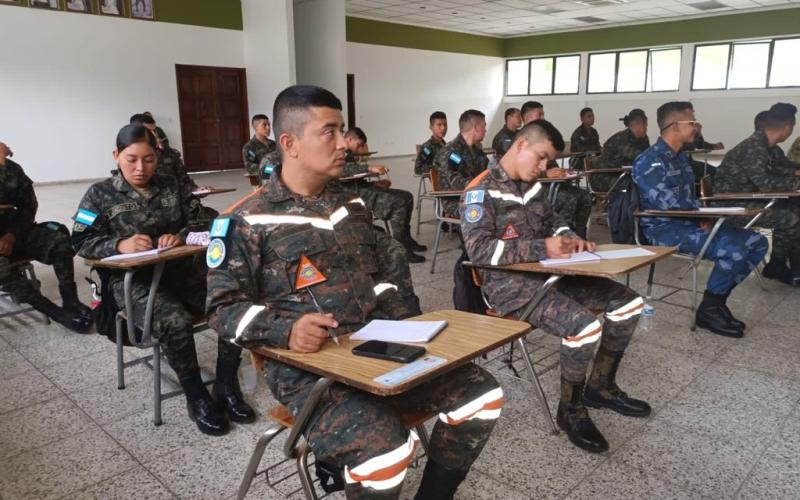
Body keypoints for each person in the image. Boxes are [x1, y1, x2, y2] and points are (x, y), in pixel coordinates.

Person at [207, 85, 503, 500]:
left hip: (379, 346)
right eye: (329, 132)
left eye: (342, 130)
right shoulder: (245, 221)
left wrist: (412, 329)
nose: (344, 143)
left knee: (483, 395)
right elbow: (222, 311)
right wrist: (286, 330)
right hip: (311, 367)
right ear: (289, 143)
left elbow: (381, 278)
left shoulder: (352, 206)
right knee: (385, 448)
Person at [461, 119, 650, 454]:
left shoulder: (533, 187)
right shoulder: (480, 190)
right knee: (584, 326)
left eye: (548, 161)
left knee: (629, 303)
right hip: (511, 288)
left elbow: (555, 222)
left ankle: (601, 386)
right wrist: (542, 248)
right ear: (521, 145)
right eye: (542, 157)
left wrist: (572, 240)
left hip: (553, 273)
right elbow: (480, 252)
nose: (545, 167)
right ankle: (571, 408)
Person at [72, 124, 255, 435]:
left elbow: (204, 218)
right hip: (133, 282)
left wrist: (181, 235)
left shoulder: (173, 185)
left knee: (233, 304)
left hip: (183, 271)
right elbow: (80, 241)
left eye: (148, 159)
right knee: (174, 320)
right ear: (116, 156)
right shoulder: (100, 194)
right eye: (131, 160)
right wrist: (119, 244)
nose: (140, 168)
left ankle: (226, 385)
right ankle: (196, 396)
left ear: (157, 157)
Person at [633, 102, 768, 338]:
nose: (697, 127)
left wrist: (703, 215)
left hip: (689, 222)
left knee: (756, 242)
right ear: (675, 126)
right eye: (692, 122)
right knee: (733, 250)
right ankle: (711, 308)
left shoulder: (681, 159)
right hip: (663, 229)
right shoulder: (650, 160)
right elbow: (666, 203)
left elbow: (688, 199)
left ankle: (714, 303)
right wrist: (706, 214)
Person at [0, 142, 92, 333]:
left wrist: (11, 235)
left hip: (15, 232)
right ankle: (54, 312)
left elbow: (28, 207)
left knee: (59, 240)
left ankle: (70, 300)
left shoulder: (10, 169)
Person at [715, 104, 800, 286]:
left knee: (795, 208)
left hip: (747, 199)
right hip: (731, 206)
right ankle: (777, 265)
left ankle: (782, 265)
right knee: (791, 217)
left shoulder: (769, 147)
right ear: (788, 127)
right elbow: (765, 184)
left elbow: (785, 168)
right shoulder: (754, 148)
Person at [342, 127, 427, 263]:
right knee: (398, 202)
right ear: (349, 139)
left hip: (360, 189)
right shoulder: (338, 152)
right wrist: (369, 168)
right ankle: (401, 249)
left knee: (407, 196)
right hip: (350, 196)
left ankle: (406, 239)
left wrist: (375, 184)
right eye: (359, 145)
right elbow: (341, 170)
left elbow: (353, 178)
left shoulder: (348, 154)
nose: (360, 148)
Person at [522, 102, 592, 239]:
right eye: (540, 115)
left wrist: (562, 171)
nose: (543, 118)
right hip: (534, 187)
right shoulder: (522, 140)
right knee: (569, 197)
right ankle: (562, 238)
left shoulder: (542, 138)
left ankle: (580, 238)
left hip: (552, 183)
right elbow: (520, 173)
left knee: (584, 196)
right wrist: (545, 173)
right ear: (528, 118)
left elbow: (551, 164)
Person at [433, 109, 489, 218]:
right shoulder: (452, 152)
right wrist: (484, 186)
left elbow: (488, 170)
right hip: (457, 200)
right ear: (476, 127)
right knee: (495, 209)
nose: (485, 130)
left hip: (476, 194)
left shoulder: (476, 150)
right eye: (484, 126)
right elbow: (456, 181)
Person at [590, 108, 650, 192]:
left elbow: (648, 157)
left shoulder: (643, 139)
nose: (646, 129)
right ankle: (628, 205)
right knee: (637, 184)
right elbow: (640, 156)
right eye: (646, 126)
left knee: (649, 180)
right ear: (639, 125)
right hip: (604, 177)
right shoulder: (622, 138)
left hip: (622, 174)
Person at [414, 111, 447, 175]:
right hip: (441, 183)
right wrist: (438, 167)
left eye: (445, 124)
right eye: (439, 125)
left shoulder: (446, 145)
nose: (443, 128)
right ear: (431, 127)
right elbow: (418, 169)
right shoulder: (427, 148)